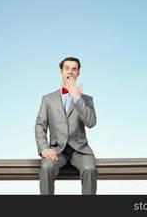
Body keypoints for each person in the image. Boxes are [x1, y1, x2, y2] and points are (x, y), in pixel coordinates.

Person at [35, 57, 98, 195]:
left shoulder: (87, 99)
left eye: (74, 69)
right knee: (46, 168)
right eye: (67, 68)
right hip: (56, 151)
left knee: (90, 169)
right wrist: (44, 149)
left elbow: (91, 122)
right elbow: (40, 125)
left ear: (78, 73)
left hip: (80, 150)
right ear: (61, 71)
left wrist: (77, 98)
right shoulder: (48, 99)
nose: (70, 72)